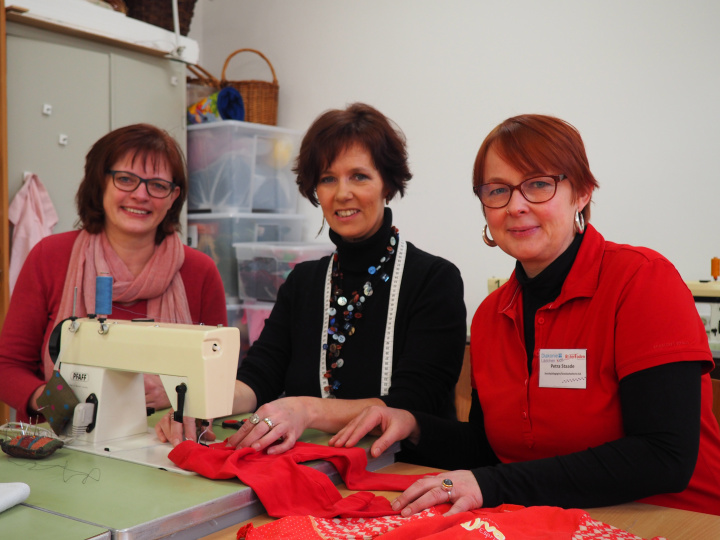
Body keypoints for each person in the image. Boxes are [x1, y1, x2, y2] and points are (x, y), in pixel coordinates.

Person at [331, 114, 720, 516]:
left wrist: (490, 485)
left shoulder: (642, 281)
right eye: (497, 190)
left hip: (680, 519)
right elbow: (489, 450)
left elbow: (663, 457)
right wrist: (412, 425)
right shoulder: (490, 316)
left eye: (538, 184)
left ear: (582, 192)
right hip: (556, 519)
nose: (516, 206)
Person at [155, 103, 467, 454]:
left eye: (359, 176)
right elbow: (259, 378)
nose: (342, 193)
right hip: (320, 471)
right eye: (327, 178)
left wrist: (305, 408)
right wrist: (198, 406)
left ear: (387, 184)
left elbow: (413, 404)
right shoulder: (304, 282)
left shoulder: (434, 281)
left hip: (408, 473)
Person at [0, 123, 228, 422]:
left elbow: (221, 376)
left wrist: (178, 393)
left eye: (158, 185)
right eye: (126, 179)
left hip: (164, 448)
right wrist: (56, 402)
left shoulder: (200, 272)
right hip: (61, 445)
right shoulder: (50, 257)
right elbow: (8, 366)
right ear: (100, 183)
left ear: (173, 197)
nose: (141, 195)